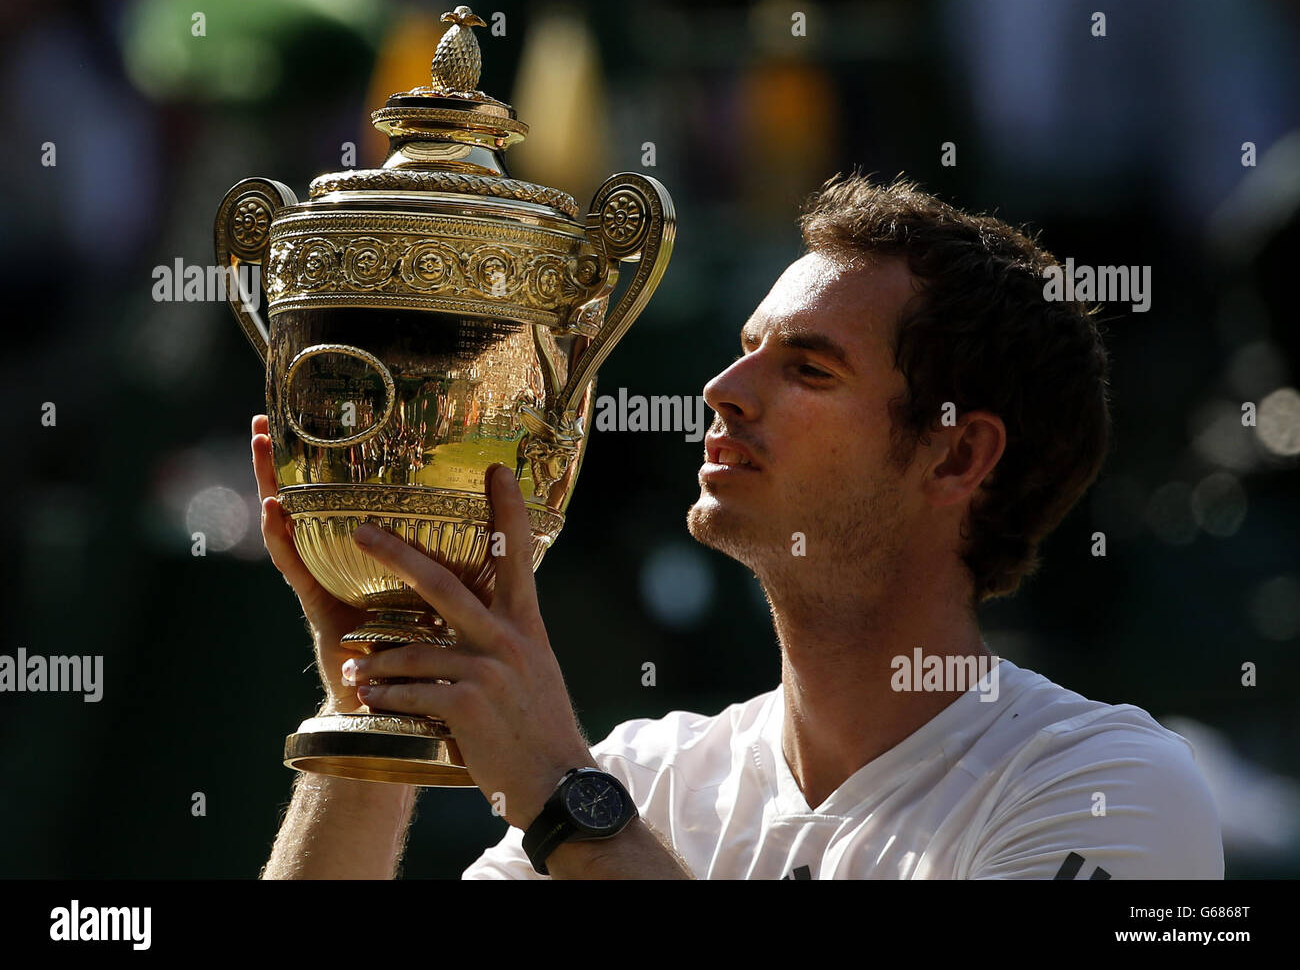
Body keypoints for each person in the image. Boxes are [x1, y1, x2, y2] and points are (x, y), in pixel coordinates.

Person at [256, 173, 1223, 880]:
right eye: (745, 350)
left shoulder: (1110, 786)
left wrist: (565, 801)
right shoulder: (645, 775)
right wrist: (370, 711)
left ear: (957, 455)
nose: (722, 393)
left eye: (808, 369)